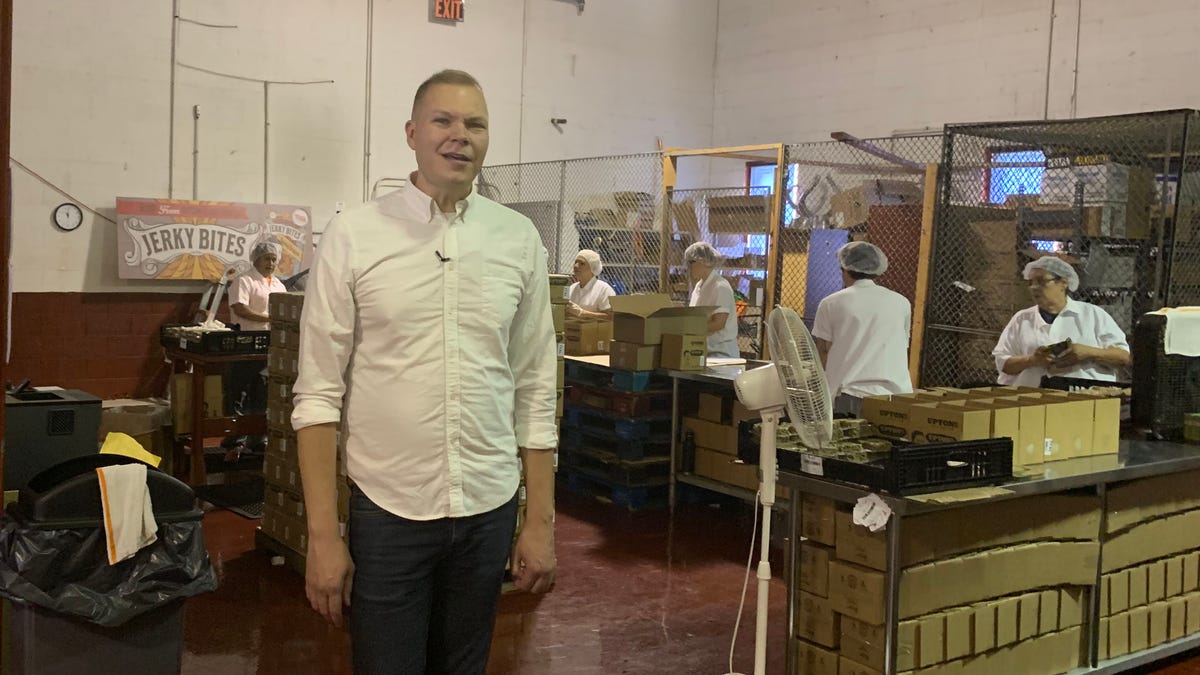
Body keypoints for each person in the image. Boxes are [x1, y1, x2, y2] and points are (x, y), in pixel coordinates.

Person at [291, 69, 558, 674]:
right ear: (412, 133)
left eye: (475, 123)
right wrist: (324, 537)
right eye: (444, 120)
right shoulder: (355, 236)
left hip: (488, 506)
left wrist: (538, 521)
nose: (459, 135)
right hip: (389, 511)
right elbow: (316, 396)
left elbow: (536, 387)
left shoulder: (517, 239)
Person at [992, 256, 1131, 387]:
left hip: (1084, 399)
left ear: (1063, 283)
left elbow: (1123, 357)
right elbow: (1003, 363)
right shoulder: (1022, 319)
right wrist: (1033, 360)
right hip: (1033, 398)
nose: (1034, 287)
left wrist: (1088, 353)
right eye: (1030, 283)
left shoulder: (1093, 315)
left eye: (1041, 281)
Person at [812, 241, 913, 416]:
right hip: (896, 395)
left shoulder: (831, 303)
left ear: (844, 270)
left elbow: (823, 351)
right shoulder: (901, 302)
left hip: (850, 393)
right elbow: (902, 346)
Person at [685, 241, 739, 359]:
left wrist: (691, 330)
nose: (689, 267)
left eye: (692, 262)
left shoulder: (720, 287)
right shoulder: (699, 287)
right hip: (704, 350)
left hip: (721, 354)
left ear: (704, 261)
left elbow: (719, 322)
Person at [229, 241, 287, 331]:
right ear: (256, 259)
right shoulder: (244, 281)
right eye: (267, 259)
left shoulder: (279, 285)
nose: (271, 263)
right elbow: (240, 310)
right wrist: (272, 319)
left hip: (273, 336)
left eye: (274, 260)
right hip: (248, 335)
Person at [567, 249, 616, 319]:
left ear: (593, 268)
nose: (576, 266)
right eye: (576, 262)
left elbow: (611, 317)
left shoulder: (604, 290)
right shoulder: (572, 288)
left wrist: (583, 313)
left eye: (582, 263)